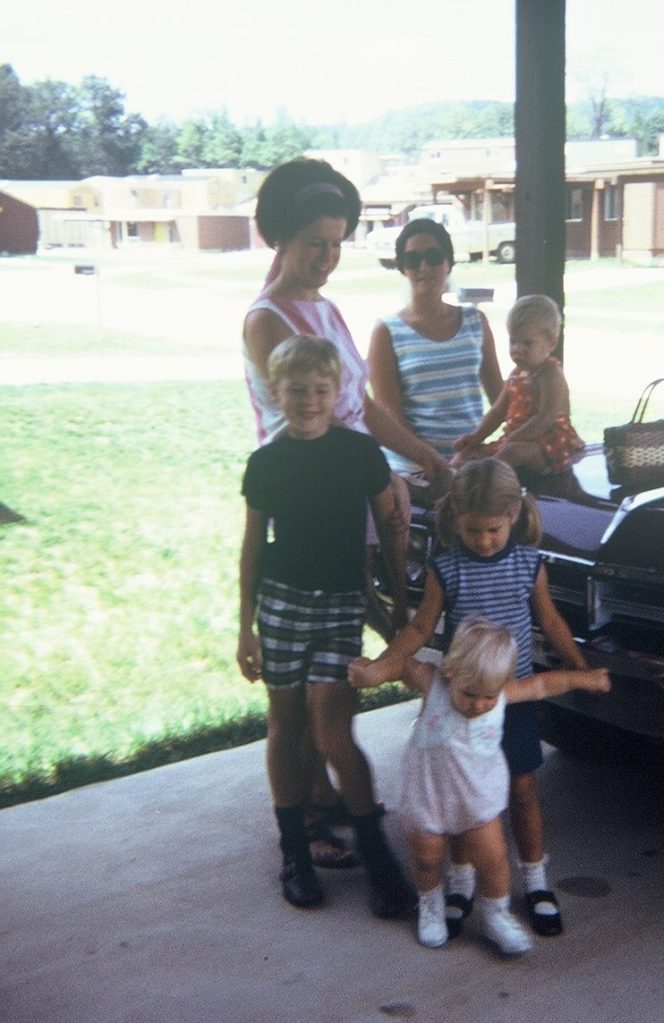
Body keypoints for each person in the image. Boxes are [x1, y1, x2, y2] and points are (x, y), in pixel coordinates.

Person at [242, 158, 449, 868]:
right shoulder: (267, 319)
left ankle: (329, 795)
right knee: (306, 681)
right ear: (281, 238)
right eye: (314, 244)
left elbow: (362, 406)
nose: (327, 258)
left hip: (355, 498)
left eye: (336, 244)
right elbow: (318, 421)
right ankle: (308, 813)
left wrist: (424, 457)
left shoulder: (326, 310)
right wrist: (380, 483)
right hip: (312, 506)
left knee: (334, 665)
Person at [349, 457, 590, 938]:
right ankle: (461, 886)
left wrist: (580, 668)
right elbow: (421, 627)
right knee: (460, 796)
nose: (483, 541)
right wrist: (382, 664)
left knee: (522, 790)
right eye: (473, 530)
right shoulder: (447, 568)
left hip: (512, 699)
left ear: (514, 515)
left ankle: (536, 881)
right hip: (462, 701)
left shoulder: (528, 565)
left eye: (493, 530)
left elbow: (550, 621)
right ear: (455, 518)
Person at [237, 335, 415, 918]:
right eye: (296, 390)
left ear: (337, 392)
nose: (309, 400)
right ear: (275, 391)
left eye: (320, 389)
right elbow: (251, 548)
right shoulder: (266, 462)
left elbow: (391, 528)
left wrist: (399, 603)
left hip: (341, 606)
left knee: (336, 733)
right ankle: (295, 852)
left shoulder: (360, 453)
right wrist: (245, 628)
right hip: (282, 607)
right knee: (286, 728)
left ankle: (376, 853)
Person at [350, 616, 610, 952]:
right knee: (427, 858)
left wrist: (584, 679)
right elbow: (403, 665)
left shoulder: (499, 696)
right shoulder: (434, 684)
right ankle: (431, 907)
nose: (478, 704)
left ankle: (495, 915)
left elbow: (544, 685)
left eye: (487, 696)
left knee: (494, 859)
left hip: (477, 800)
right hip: (428, 795)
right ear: (451, 672)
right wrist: (373, 673)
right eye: (469, 694)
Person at [367, 217, 504, 480]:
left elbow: (502, 397)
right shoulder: (386, 331)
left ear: (448, 263)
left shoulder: (475, 321)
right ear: (402, 267)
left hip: (469, 466)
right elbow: (389, 415)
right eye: (412, 259)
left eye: (433, 256)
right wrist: (435, 462)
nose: (424, 267)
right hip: (413, 470)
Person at [452, 294, 583, 473]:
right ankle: (450, 480)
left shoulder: (550, 374)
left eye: (527, 343)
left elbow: (546, 418)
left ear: (551, 343)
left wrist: (514, 438)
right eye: (513, 341)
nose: (517, 349)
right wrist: (475, 437)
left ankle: (489, 477)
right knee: (466, 455)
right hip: (515, 440)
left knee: (511, 453)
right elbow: (497, 412)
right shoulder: (516, 375)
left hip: (549, 442)